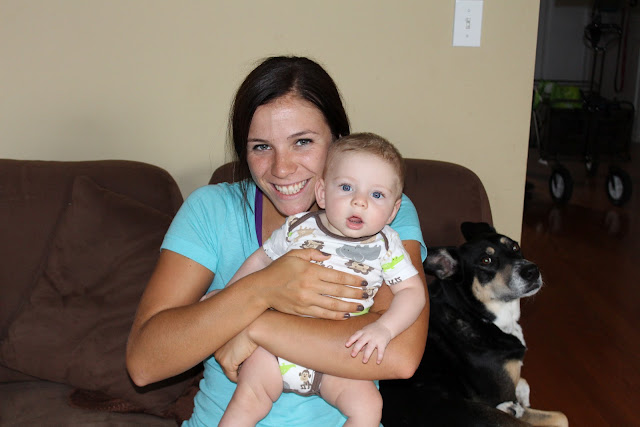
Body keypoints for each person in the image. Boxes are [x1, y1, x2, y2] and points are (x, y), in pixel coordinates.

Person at [126, 56, 429, 427]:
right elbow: (145, 364)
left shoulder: (380, 213)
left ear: (338, 141)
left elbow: (399, 356)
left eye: (302, 142)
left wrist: (252, 327)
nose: (281, 168)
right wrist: (262, 290)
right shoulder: (211, 210)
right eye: (261, 147)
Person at [207, 133, 426, 426]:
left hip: (334, 358)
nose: (359, 202)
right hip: (275, 350)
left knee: (369, 405)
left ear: (393, 211)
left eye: (377, 195)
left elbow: (412, 292)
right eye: (346, 187)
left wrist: (385, 329)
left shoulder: (387, 245)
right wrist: (228, 296)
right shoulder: (298, 227)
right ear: (322, 193)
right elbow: (260, 260)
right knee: (249, 398)